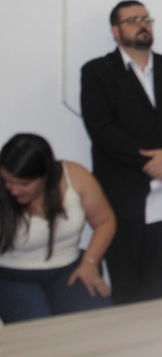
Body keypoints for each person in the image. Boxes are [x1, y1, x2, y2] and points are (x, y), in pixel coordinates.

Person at [80, 0, 162, 304]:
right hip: (124, 198)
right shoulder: (97, 72)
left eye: (146, 19)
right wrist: (152, 162)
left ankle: (160, 332)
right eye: (133, 20)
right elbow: (101, 129)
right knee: (129, 284)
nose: (142, 25)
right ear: (115, 31)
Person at [0, 133, 115, 323]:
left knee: (97, 322)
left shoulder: (75, 175)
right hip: (12, 276)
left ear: (46, 176)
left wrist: (90, 263)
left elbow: (105, 221)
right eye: (6, 180)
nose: (13, 190)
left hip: (69, 269)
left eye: (23, 184)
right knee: (40, 332)